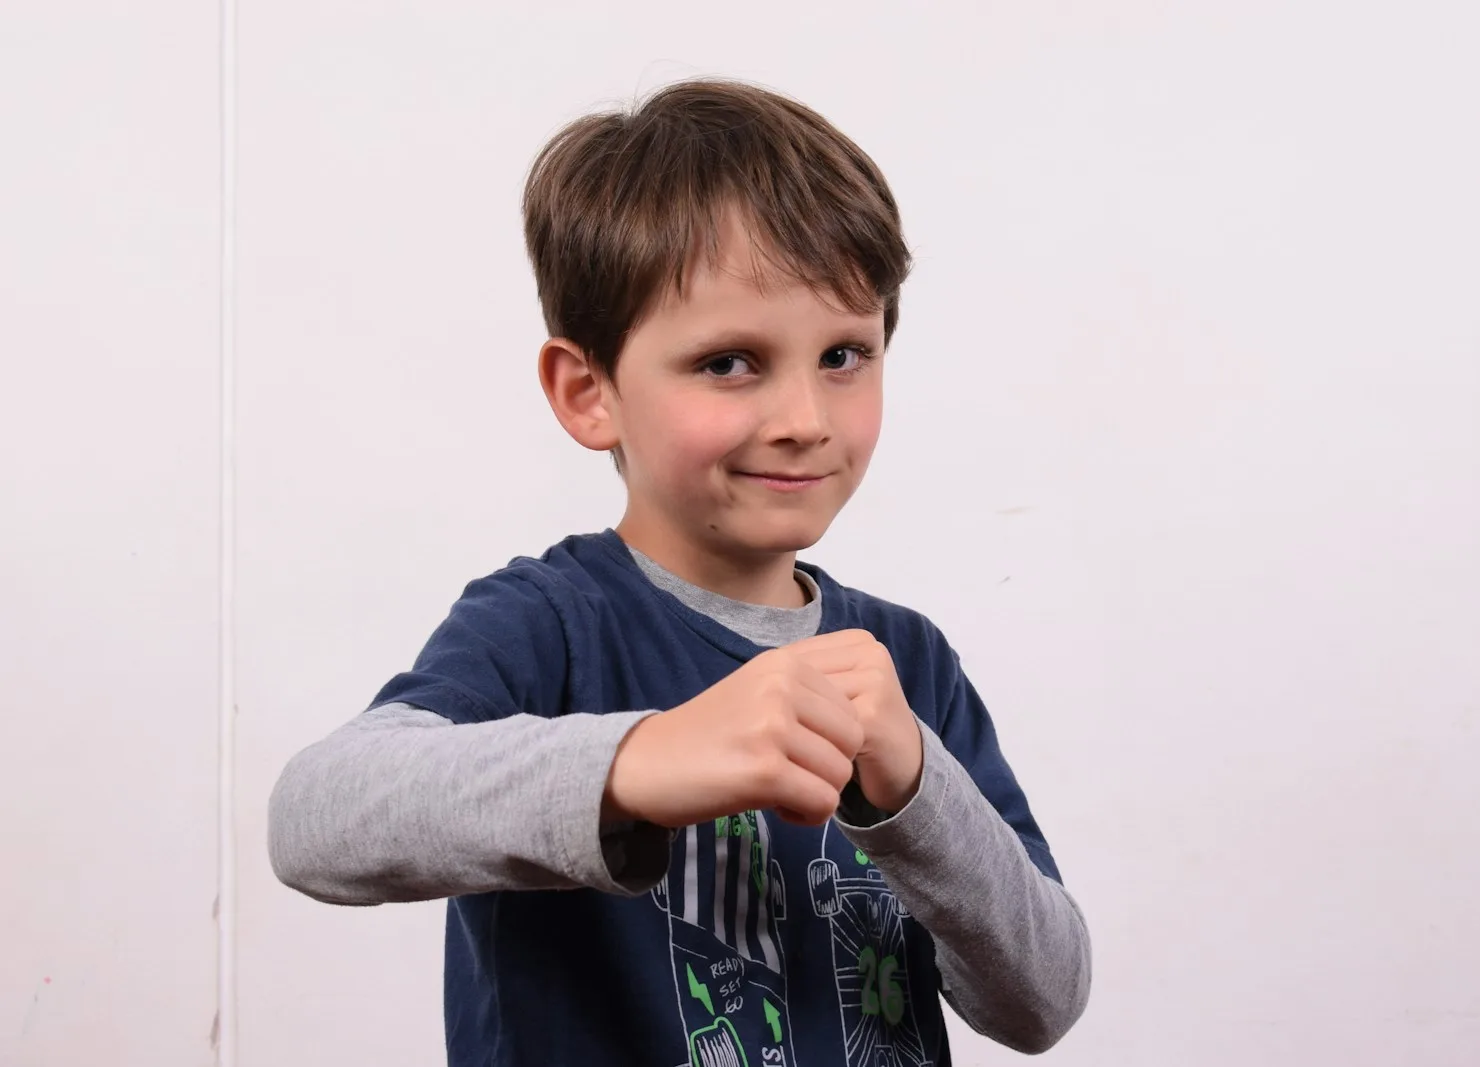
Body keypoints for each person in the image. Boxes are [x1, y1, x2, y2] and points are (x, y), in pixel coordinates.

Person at [268, 77, 1090, 1067]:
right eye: (729, 361)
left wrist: (912, 783)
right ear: (589, 393)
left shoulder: (904, 658)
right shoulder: (550, 623)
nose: (804, 416)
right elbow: (316, 816)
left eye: (843, 354)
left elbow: (1043, 1000)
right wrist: (641, 760)